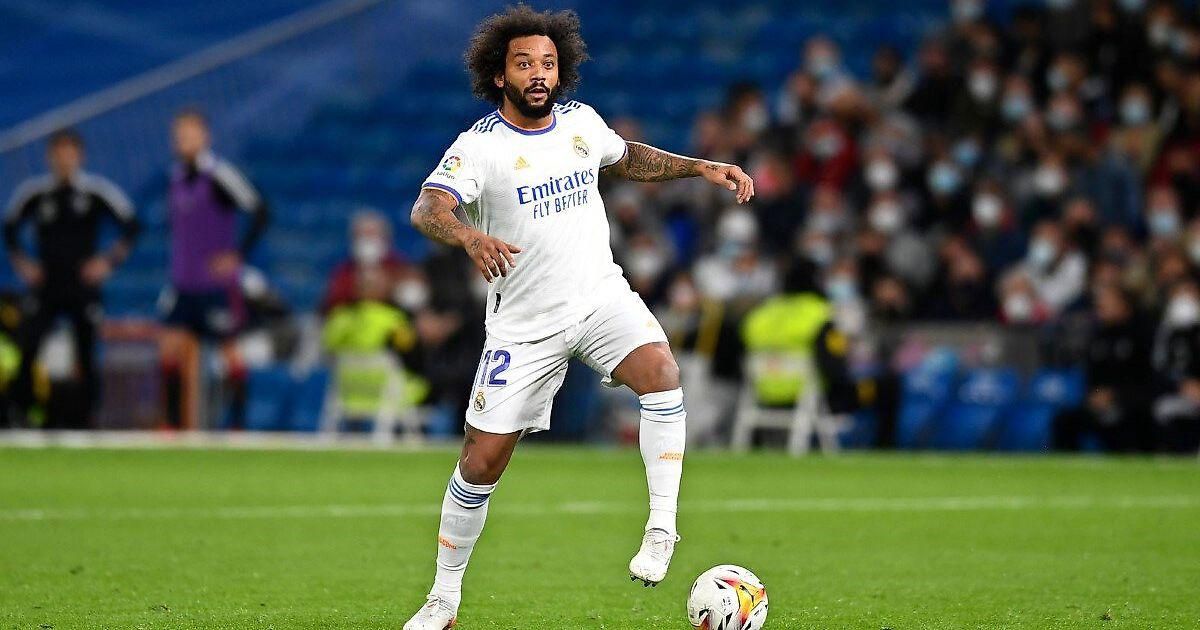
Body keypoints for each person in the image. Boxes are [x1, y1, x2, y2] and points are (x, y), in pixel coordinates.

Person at [401, 7, 754, 629]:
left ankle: (662, 527)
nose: (539, 74)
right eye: (524, 64)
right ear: (499, 75)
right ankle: (443, 598)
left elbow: (627, 158)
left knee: (662, 373)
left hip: (598, 298)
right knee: (480, 463)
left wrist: (700, 167)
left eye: (548, 63)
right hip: (524, 325)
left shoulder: (581, 123)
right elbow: (428, 209)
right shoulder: (479, 147)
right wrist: (469, 236)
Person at [3, 129, 140, 424]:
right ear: (50, 157)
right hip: (47, 285)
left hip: (82, 286)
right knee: (28, 346)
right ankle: (20, 412)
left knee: (86, 352)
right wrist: (23, 264)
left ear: (80, 156)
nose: (64, 160)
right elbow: (9, 228)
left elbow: (132, 225)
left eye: (70, 154)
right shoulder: (35, 193)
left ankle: (88, 418)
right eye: (59, 154)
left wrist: (107, 262)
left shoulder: (95, 192)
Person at [158, 109, 269, 430]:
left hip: (215, 285)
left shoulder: (220, 174)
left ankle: (238, 426)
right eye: (180, 135)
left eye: (190, 134)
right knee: (169, 349)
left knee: (229, 353)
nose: (184, 140)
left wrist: (237, 254)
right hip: (183, 283)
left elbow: (259, 210)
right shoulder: (175, 177)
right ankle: (171, 427)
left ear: (205, 136)